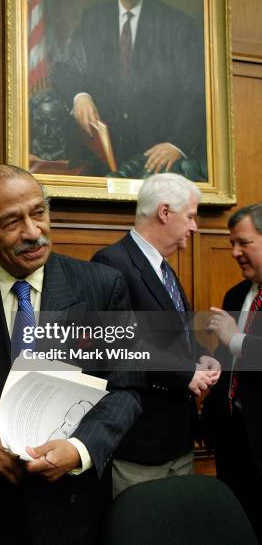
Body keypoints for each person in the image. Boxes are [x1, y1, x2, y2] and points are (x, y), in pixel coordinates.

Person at [0, 164, 143, 544]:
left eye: (39, 213)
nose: (33, 233)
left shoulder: (102, 286)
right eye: (12, 222)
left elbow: (127, 388)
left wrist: (80, 448)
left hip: (77, 506)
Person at [91, 173, 220, 496]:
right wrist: (185, 371)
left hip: (177, 438)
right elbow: (119, 343)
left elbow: (170, 335)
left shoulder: (162, 267)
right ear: (165, 212)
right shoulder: (112, 262)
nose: (194, 227)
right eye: (190, 216)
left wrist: (198, 358)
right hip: (140, 443)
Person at [51, 0, 205, 176]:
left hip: (158, 158)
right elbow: (63, 68)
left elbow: (196, 92)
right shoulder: (93, 19)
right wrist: (80, 96)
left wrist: (177, 145)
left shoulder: (177, 25)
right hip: (103, 158)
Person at [204, 204, 262, 541]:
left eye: (244, 243)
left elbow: (236, 343)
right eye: (231, 244)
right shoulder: (236, 294)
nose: (235, 253)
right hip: (232, 443)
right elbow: (230, 360)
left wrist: (235, 340)